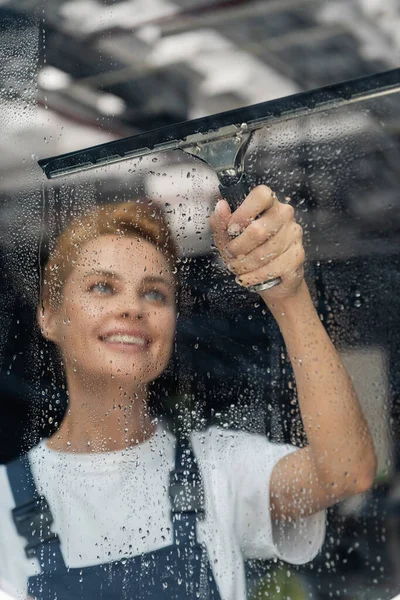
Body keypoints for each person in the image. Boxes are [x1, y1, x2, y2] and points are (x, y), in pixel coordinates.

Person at [0, 186, 377, 600]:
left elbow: (346, 471)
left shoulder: (218, 470)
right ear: (49, 316)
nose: (133, 308)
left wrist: (286, 293)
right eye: (103, 287)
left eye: (154, 293)